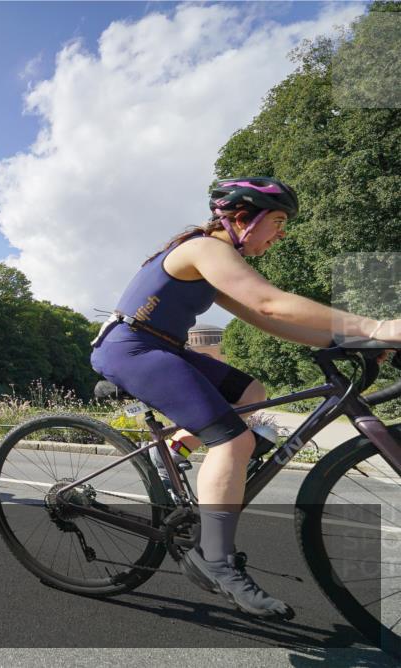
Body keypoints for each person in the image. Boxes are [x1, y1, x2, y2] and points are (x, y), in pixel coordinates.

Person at [90, 177, 400, 620]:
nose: (281, 234)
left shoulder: (216, 259)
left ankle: (172, 451)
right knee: (234, 441)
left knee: (252, 394)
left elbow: (267, 320)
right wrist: (376, 326)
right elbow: (271, 302)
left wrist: (344, 339)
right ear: (241, 218)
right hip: (132, 349)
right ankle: (214, 560)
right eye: (278, 222)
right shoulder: (204, 249)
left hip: (162, 346)